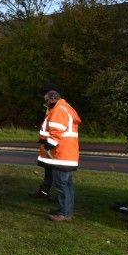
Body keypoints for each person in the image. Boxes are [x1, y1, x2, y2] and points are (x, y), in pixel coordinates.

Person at [38, 89, 81, 222]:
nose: (46, 104)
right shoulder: (65, 108)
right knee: (67, 185)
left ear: (52, 99)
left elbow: (56, 132)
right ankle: (66, 210)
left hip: (61, 155)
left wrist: (48, 146)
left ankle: (64, 213)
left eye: (46, 101)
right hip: (67, 154)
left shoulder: (59, 110)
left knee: (62, 185)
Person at [29, 83, 61, 200]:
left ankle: (58, 196)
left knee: (57, 172)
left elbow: (56, 128)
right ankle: (44, 191)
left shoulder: (57, 109)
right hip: (48, 143)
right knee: (49, 170)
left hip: (54, 145)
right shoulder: (51, 107)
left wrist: (50, 142)